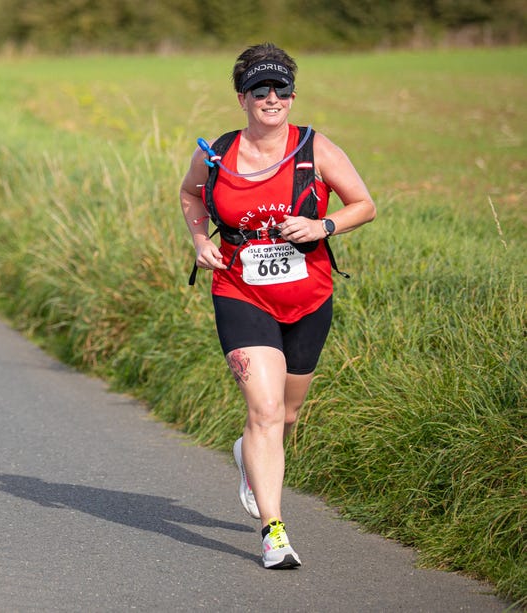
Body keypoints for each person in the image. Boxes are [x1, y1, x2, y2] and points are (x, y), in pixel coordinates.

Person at [178, 43, 376, 569]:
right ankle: (274, 531)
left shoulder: (315, 149)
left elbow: (365, 204)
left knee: (286, 413)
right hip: (241, 291)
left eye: (281, 89)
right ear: (242, 96)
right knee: (263, 411)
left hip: (309, 296)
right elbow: (191, 196)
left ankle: (250, 456)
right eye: (261, 90)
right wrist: (201, 242)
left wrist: (322, 225)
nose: (272, 98)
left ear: (292, 95)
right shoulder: (216, 153)